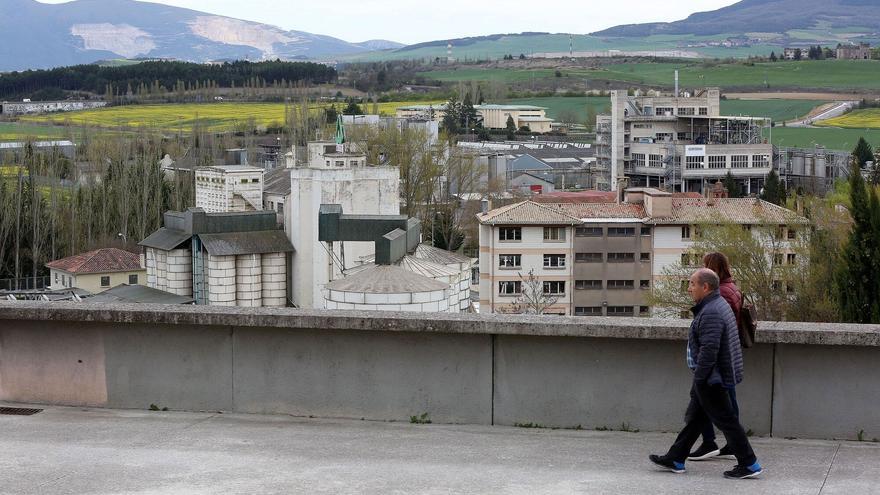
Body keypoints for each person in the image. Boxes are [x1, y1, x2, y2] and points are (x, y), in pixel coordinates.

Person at [649, 268, 762, 479]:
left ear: (705, 287)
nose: (689, 288)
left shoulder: (711, 312)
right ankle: (676, 457)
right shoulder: (716, 305)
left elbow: (710, 350)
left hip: (712, 378)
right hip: (713, 375)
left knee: (727, 421)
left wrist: (700, 379)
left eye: (692, 284)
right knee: (696, 419)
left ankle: (749, 463)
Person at [687, 252, 743, 462]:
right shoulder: (731, 288)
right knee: (713, 406)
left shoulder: (721, 296)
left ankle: (735, 449)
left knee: (723, 408)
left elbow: (713, 337)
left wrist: (701, 374)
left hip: (719, 362)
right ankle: (728, 446)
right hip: (724, 359)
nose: (691, 288)